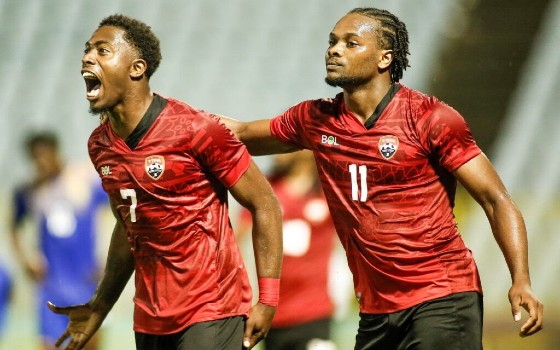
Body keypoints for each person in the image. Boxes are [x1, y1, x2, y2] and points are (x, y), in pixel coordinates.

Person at [221, 7, 544, 350]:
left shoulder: (429, 118)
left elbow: (496, 200)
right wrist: (174, 119)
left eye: (351, 43)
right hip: (376, 310)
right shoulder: (316, 120)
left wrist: (520, 278)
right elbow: (239, 132)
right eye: (332, 42)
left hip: (441, 297)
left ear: (384, 58)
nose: (334, 50)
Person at [47, 14, 283, 350]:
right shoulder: (99, 146)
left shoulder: (195, 130)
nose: (87, 57)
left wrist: (269, 298)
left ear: (136, 69)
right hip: (150, 318)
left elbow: (265, 203)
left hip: (212, 309)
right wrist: (100, 305)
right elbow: (127, 227)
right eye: (87, 50)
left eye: (102, 50)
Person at [10, 131, 108, 350]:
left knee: (89, 341)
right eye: (36, 158)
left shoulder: (83, 182)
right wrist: (26, 259)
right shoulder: (32, 192)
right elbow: (13, 227)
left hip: (85, 280)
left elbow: (116, 212)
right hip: (51, 283)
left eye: (45, 155)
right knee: (49, 344)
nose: (41, 162)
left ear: (56, 153)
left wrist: (106, 255)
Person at [237, 150, 341, 350]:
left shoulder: (328, 190)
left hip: (314, 310)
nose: (276, 148)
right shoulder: (265, 189)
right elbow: (238, 239)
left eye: (286, 142)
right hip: (273, 313)